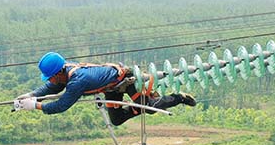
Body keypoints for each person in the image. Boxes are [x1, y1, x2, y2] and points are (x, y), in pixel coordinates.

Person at [13, 52, 196, 126]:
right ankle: (137, 106)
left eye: (51, 76)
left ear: (58, 71)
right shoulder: (65, 71)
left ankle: (178, 97)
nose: (51, 80)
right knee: (117, 119)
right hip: (112, 87)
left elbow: (61, 105)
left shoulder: (77, 81)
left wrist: (35, 105)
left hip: (126, 79)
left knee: (150, 107)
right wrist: (31, 95)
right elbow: (53, 86)